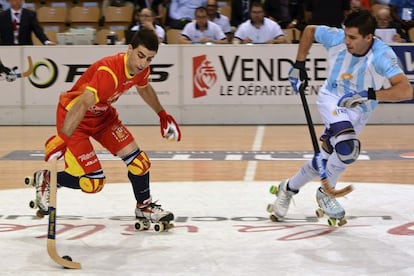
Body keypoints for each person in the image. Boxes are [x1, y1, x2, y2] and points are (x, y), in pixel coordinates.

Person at [272, 10, 413, 224]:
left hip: (360, 109)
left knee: (328, 157)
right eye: (346, 35)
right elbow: (309, 31)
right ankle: (326, 194)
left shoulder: (382, 55)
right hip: (332, 99)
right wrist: (299, 65)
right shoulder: (337, 38)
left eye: (353, 37)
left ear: (369, 37)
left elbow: (405, 91)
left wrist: (370, 94)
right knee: (348, 147)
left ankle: (288, 188)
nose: (347, 41)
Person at [32, 29, 180, 228]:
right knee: (93, 183)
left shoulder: (141, 70)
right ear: (129, 49)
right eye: (140, 56)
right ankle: (49, 178)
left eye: (149, 59)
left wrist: (162, 114)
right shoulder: (108, 73)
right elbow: (82, 104)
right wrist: (64, 138)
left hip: (103, 117)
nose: (143, 63)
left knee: (140, 162)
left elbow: (144, 88)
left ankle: (144, 207)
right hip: (76, 119)